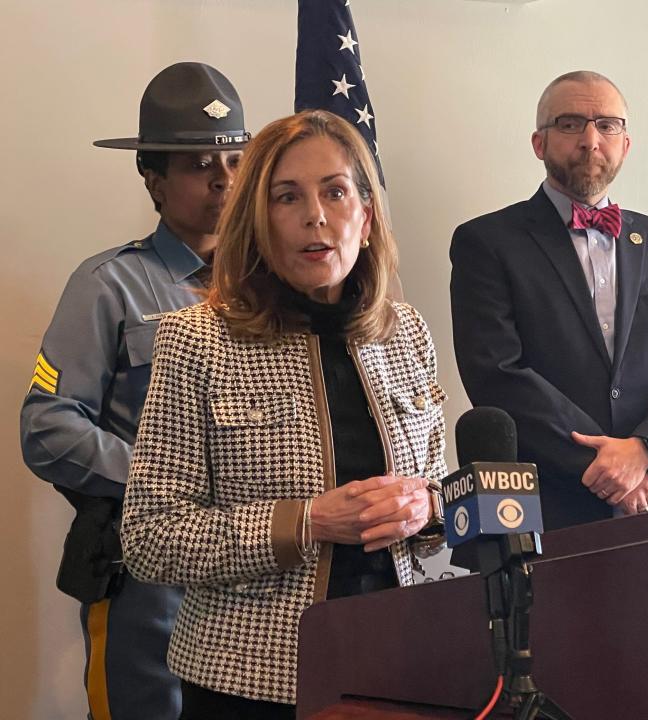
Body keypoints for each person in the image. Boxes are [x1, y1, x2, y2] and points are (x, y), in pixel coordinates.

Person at [120, 109, 447, 719]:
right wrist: (309, 522)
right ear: (257, 223)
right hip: (248, 685)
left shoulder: (408, 335)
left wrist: (426, 507)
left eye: (335, 191)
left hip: (398, 662)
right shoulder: (197, 341)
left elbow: (435, 491)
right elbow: (150, 540)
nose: (315, 215)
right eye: (286, 197)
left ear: (367, 217)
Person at [20, 61, 249, 720]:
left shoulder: (273, 290)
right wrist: (165, 478)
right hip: (151, 574)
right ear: (153, 177)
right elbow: (49, 427)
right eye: (200, 163)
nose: (224, 179)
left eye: (234, 159)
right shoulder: (108, 287)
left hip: (259, 572)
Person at [450, 71, 648, 531]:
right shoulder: (485, 243)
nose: (591, 140)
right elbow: (495, 372)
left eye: (608, 125)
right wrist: (610, 467)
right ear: (539, 143)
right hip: (544, 510)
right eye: (570, 124)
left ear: (625, 144)